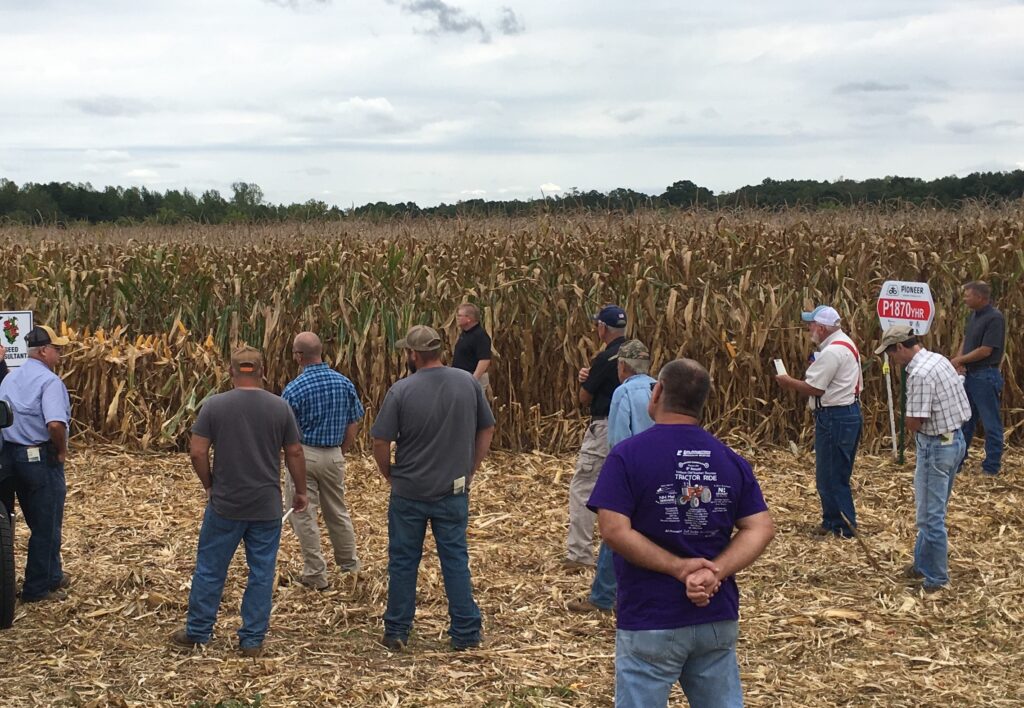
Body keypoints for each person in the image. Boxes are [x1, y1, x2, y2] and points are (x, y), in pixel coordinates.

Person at [588, 358, 774, 708]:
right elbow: (761, 526)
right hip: (715, 615)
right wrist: (714, 571)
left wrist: (679, 568)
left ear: (657, 392)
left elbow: (613, 530)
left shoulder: (627, 456)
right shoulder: (728, 459)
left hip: (650, 617)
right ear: (703, 402)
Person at [171, 345, 308, 657]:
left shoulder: (214, 406)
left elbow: (197, 451)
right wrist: (300, 491)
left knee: (210, 568)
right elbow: (295, 452)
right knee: (261, 572)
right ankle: (252, 640)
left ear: (230, 371)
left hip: (225, 504)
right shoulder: (279, 407)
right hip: (265, 506)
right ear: (261, 371)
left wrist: (209, 485)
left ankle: (197, 631)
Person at [371, 325, 495, 652]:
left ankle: (396, 631)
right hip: (453, 491)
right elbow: (487, 428)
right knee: (454, 560)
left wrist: (390, 475)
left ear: (413, 354)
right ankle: (466, 633)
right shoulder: (467, 382)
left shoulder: (401, 390)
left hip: (409, 491)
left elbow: (380, 440)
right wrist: (470, 469)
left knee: (402, 561)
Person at [876, 326, 970, 593]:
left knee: (930, 517)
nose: (892, 359)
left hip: (935, 447)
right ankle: (921, 564)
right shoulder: (938, 359)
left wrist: (906, 419)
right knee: (932, 511)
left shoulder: (918, 373)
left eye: (892, 353)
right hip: (955, 440)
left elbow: (915, 423)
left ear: (901, 348)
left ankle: (936, 579)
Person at [568, 339, 655, 614]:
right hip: (657, 467)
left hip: (631, 469)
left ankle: (603, 597)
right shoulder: (657, 387)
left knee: (615, 531)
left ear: (622, 366)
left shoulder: (624, 392)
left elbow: (618, 440)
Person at [282, 331, 365, 590]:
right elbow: (354, 421)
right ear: (320, 352)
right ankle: (350, 567)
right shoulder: (343, 383)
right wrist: (341, 449)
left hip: (303, 455)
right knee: (337, 512)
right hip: (333, 455)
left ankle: (316, 575)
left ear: (298, 356)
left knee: (304, 515)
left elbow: (285, 430)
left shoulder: (294, 388)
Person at [775, 305, 862, 538]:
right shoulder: (845, 343)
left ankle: (842, 527)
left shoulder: (833, 351)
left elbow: (815, 388)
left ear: (822, 328)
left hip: (835, 417)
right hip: (845, 414)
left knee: (831, 475)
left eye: (811, 325)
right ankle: (834, 521)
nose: (808, 328)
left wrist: (787, 381)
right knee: (834, 473)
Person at [0, 325, 72, 603]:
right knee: (47, 524)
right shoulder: (50, 381)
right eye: (57, 349)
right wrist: (62, 450)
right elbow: (54, 423)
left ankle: (53, 574)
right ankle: (37, 588)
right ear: (44, 351)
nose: (60, 354)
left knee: (35, 519)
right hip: (39, 459)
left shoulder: (10, 379)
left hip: (10, 459)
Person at [566, 304, 627, 568]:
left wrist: (584, 382)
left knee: (583, 488)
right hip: (632, 428)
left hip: (603, 428)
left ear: (603, 328)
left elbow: (584, 397)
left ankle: (579, 554)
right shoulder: (635, 353)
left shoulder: (606, 358)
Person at [950, 281, 1005, 476]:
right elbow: (967, 339)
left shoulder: (994, 318)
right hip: (971, 375)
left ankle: (991, 467)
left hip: (985, 375)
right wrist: (959, 361)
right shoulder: (973, 315)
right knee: (965, 421)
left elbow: (985, 350)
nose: (964, 298)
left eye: (968, 295)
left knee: (991, 423)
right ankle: (958, 463)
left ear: (980, 297)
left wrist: (959, 359)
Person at [451, 303, 493, 391]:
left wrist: (473, 380)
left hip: (473, 379)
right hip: (463, 378)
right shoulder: (465, 333)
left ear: (469, 318)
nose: (457, 318)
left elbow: (484, 360)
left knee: (473, 404)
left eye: (459, 316)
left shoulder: (480, 336)